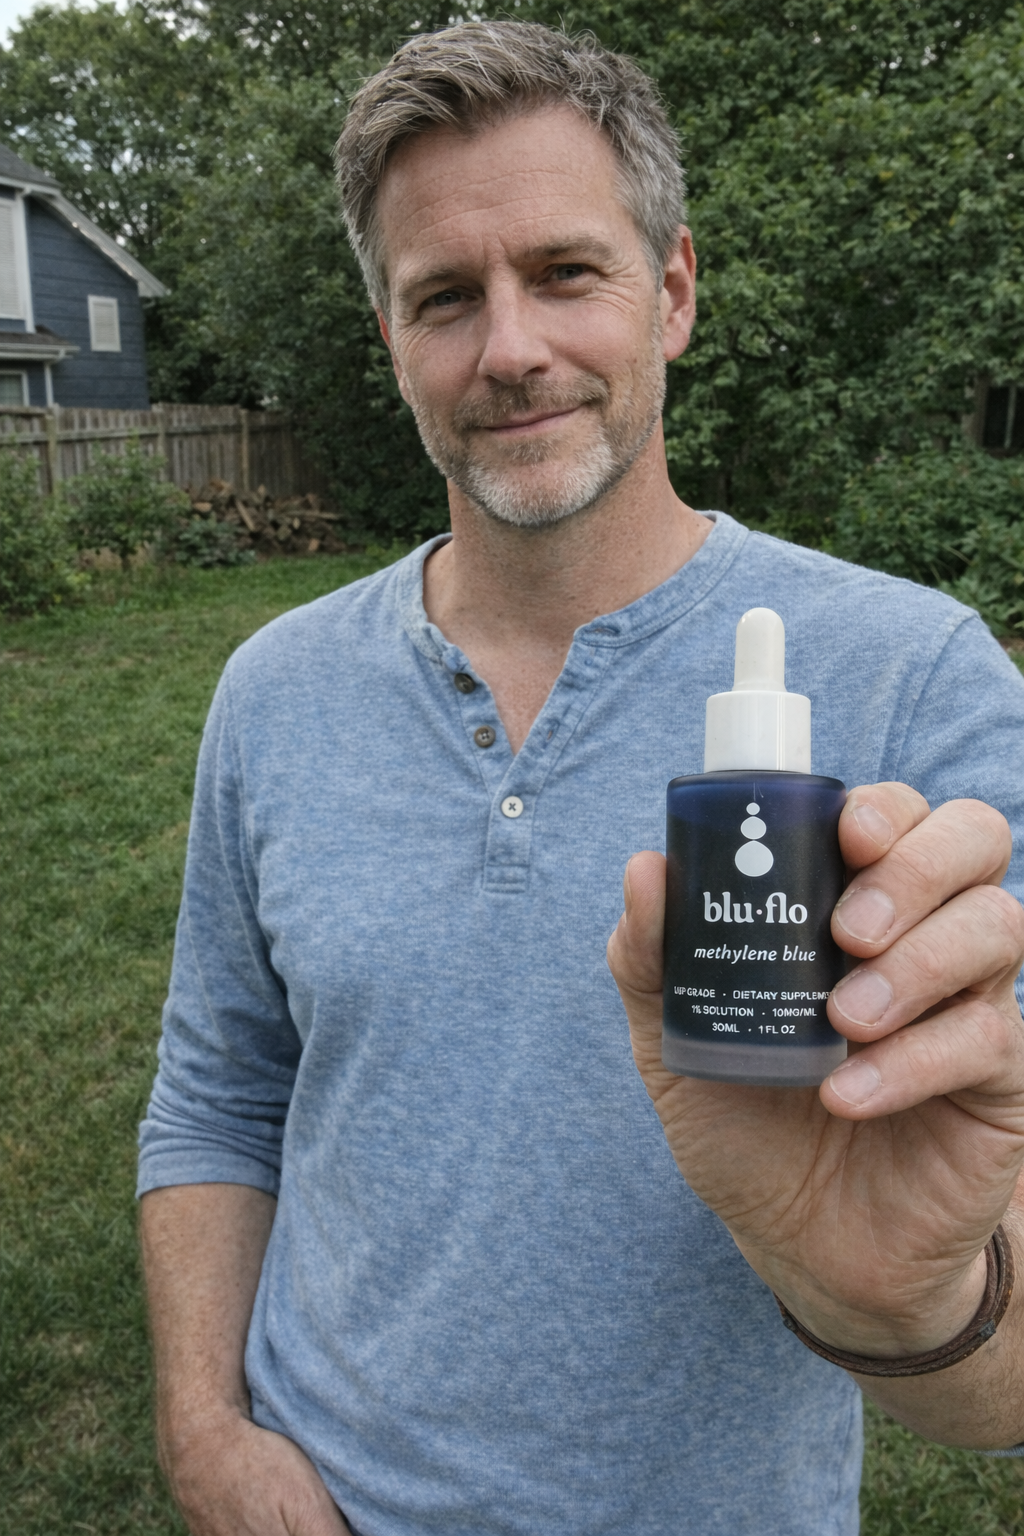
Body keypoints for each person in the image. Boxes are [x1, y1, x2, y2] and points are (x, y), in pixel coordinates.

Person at [137, 21, 1024, 1536]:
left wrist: (898, 1299)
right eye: (443, 298)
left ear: (670, 292)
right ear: (393, 345)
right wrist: (207, 1431)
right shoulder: (272, 692)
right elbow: (219, 1094)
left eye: (564, 271)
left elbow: (1002, 1385)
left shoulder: (915, 681)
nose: (512, 349)